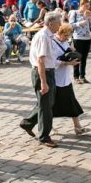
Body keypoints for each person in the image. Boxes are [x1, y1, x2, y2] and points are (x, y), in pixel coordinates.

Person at [19, 12, 62, 148]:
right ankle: (44, 137)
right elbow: (41, 61)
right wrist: (43, 82)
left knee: (46, 103)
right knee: (46, 106)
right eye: (59, 22)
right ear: (51, 24)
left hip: (48, 71)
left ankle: (28, 123)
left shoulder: (48, 35)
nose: (60, 25)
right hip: (43, 72)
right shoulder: (43, 36)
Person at [52, 23, 88, 136]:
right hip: (55, 79)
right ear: (60, 32)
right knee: (50, 105)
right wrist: (67, 63)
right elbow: (52, 61)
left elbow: (69, 53)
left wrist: (73, 54)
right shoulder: (52, 42)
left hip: (66, 79)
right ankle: (47, 127)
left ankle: (77, 127)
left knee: (72, 102)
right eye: (66, 35)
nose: (67, 38)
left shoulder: (66, 42)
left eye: (69, 35)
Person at [67, 0, 91, 83]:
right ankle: (76, 77)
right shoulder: (75, 13)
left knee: (84, 58)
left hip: (87, 38)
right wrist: (79, 23)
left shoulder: (88, 13)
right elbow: (70, 25)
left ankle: (82, 76)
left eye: (88, 6)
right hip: (78, 38)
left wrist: (90, 18)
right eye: (86, 6)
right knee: (77, 57)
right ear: (81, 5)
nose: (87, 7)